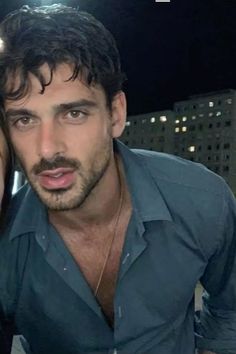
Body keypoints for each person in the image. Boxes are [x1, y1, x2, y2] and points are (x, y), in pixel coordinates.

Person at [0, 4, 235, 354]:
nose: (47, 149)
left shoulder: (201, 199)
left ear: (116, 114)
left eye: (74, 113)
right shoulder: (6, 244)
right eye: (24, 120)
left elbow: (230, 304)